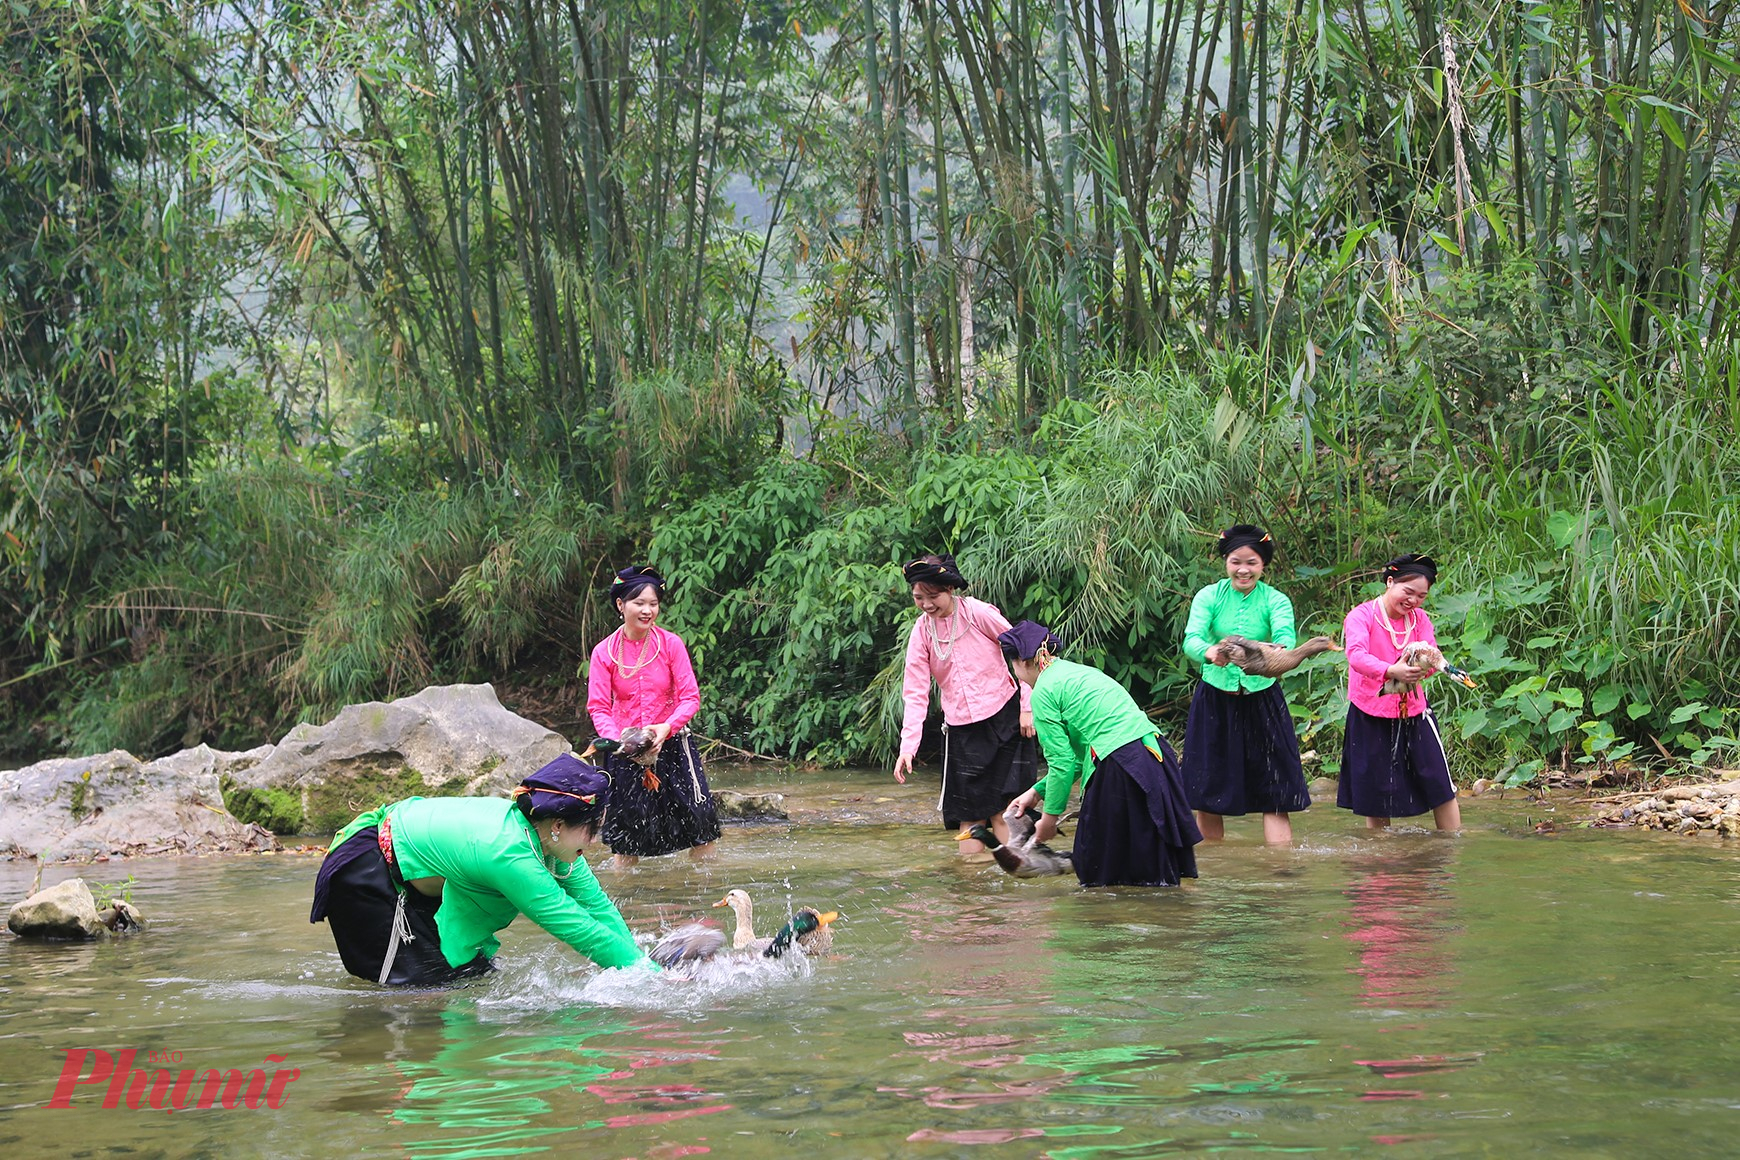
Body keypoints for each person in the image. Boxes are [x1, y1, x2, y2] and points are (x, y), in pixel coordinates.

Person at [310, 753, 654, 985]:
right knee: (416, 995)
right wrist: (648, 977)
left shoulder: (551, 840)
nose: (595, 841)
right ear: (559, 825)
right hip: (365, 868)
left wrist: (643, 962)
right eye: (591, 829)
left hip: (414, 876)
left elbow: (596, 905)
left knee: (468, 976)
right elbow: (576, 927)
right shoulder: (509, 853)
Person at [1000, 621, 1202, 887]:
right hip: (1154, 756)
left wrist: (1047, 823)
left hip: (1120, 765)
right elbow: (1076, 760)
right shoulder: (1079, 673)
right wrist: (1036, 792)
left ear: (1021, 662)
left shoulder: (1043, 692)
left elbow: (1061, 764)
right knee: (1150, 860)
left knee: (1099, 867)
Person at [892, 553, 1038, 856]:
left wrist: (1028, 707)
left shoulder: (977, 613)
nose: (927, 604)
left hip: (1005, 719)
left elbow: (1022, 651)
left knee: (1004, 810)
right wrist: (908, 747)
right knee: (969, 817)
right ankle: (971, 894)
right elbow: (915, 691)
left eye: (933, 596)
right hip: (962, 730)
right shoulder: (921, 632)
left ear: (950, 590)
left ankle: (1015, 890)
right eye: (919, 597)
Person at [1180, 524, 1311, 844]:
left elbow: (1284, 639)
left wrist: (1270, 653)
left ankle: (1279, 873)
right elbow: (1192, 639)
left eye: (1251, 562)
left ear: (1263, 566)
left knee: (1276, 791)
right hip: (1215, 700)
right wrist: (1210, 651)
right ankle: (1213, 871)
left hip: (1262, 700)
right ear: (1225, 562)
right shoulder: (1208, 596)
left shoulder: (1276, 600)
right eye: (1236, 561)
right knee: (1207, 792)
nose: (1243, 569)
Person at [586, 565, 721, 866]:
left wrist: (665, 728)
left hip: (673, 745)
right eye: (639, 603)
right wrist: (618, 740)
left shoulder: (671, 644)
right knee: (627, 840)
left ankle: (702, 889)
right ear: (620, 605)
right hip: (626, 750)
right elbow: (598, 706)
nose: (647, 610)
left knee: (701, 826)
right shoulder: (603, 652)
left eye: (653, 603)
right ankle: (628, 905)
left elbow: (690, 698)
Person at [1338, 553, 1462, 831]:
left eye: (1421, 596)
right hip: (1369, 713)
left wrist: (1424, 669)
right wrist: (1391, 671)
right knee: (1375, 792)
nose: (1414, 601)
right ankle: (1382, 854)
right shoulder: (1361, 616)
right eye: (1408, 592)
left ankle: (1452, 845)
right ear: (1390, 582)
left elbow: (1430, 653)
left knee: (1440, 783)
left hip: (1415, 712)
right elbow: (1356, 656)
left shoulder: (1420, 619)